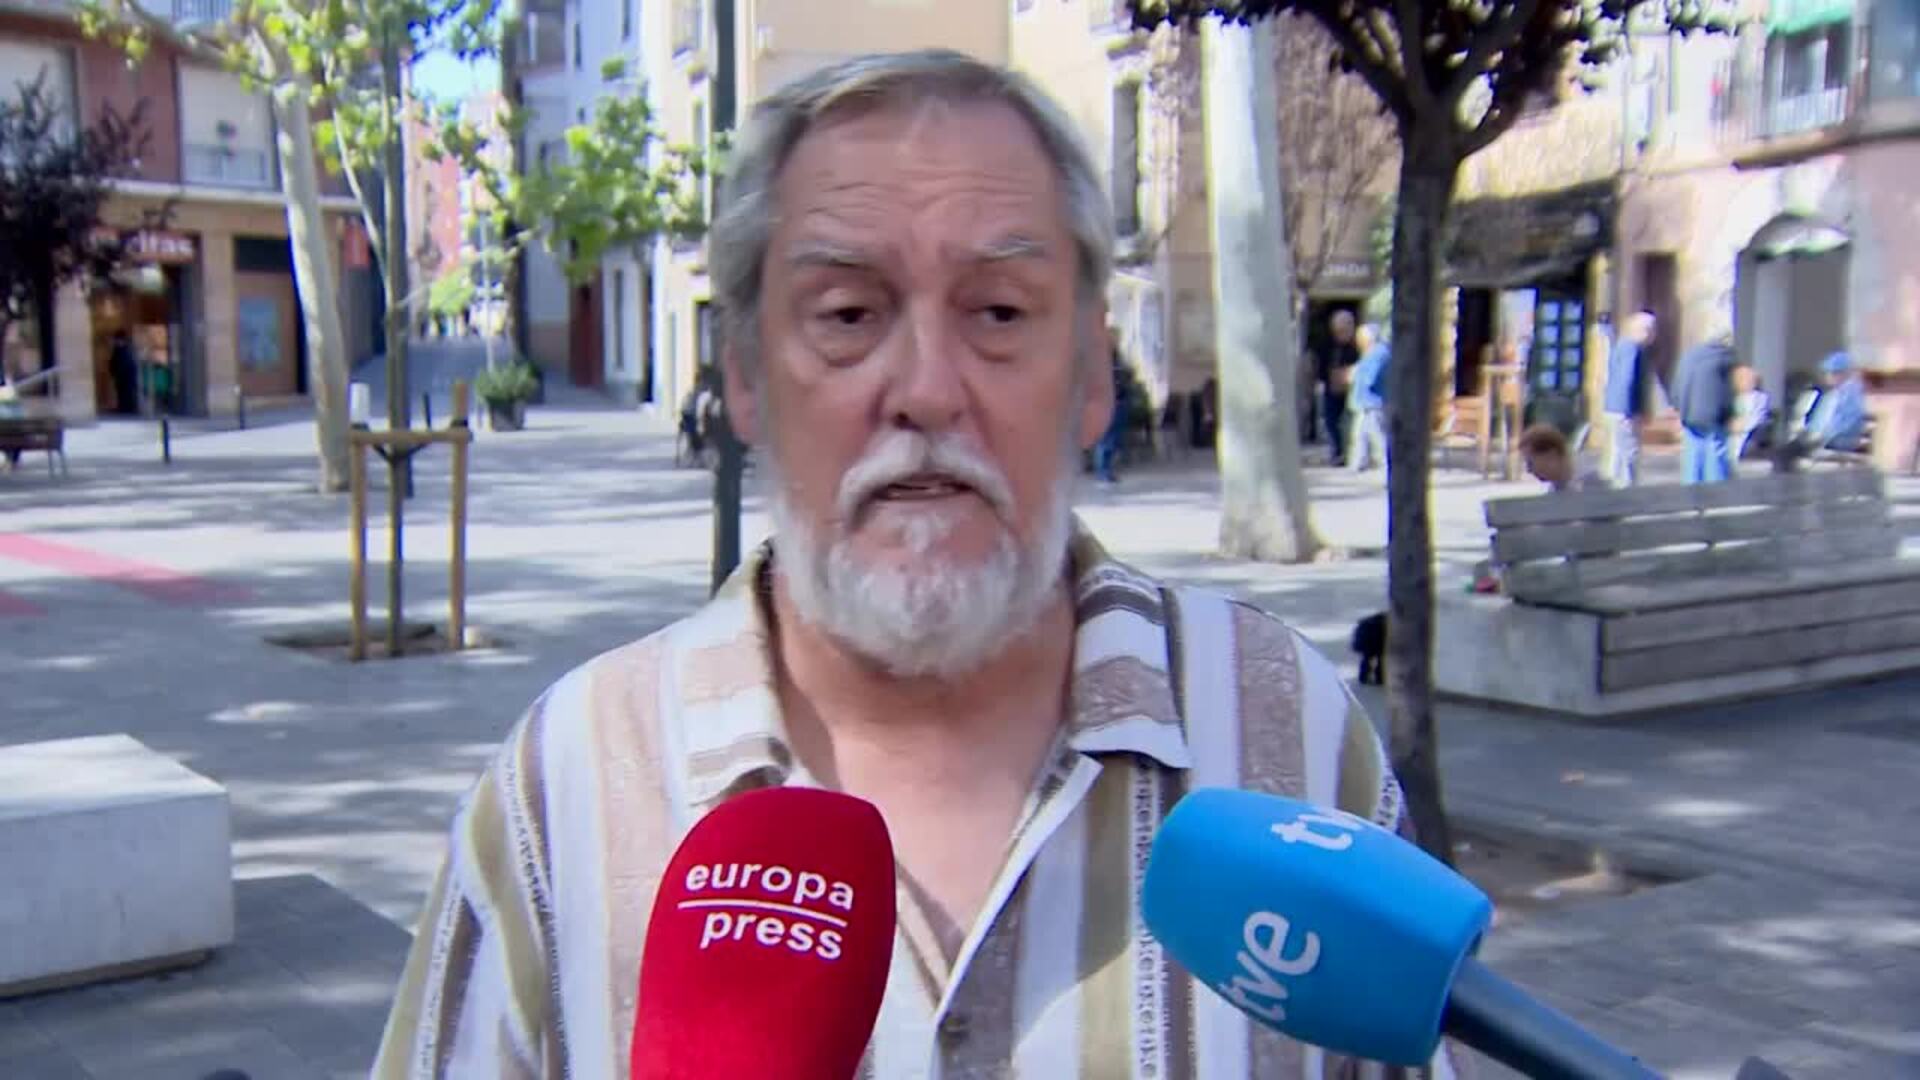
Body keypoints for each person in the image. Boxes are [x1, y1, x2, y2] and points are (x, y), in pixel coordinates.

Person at [374, 50, 1450, 1079]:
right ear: (744, 379)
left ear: (1091, 377)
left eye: (999, 313)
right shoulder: (568, 784)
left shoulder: (1282, 733)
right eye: (848, 315)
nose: (928, 390)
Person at [1670, 330, 1736, 484]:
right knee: (1715, 454)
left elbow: (1678, 383)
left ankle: (1690, 490)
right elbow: (1726, 390)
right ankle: (1715, 492)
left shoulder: (1689, 356)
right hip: (1713, 415)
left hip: (1689, 413)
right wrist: (1729, 413)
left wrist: (1678, 406)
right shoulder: (1725, 357)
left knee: (1693, 455)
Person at [1601, 310, 1658, 486]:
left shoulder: (1620, 345)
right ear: (1644, 331)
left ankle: (1616, 484)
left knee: (1617, 449)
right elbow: (1628, 379)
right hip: (1625, 409)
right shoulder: (1633, 349)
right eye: (1652, 330)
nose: (1654, 335)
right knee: (1628, 449)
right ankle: (1627, 486)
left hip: (1613, 406)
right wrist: (1632, 410)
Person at [1797, 351, 1869, 453]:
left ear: (1843, 373)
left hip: (1842, 445)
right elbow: (1818, 423)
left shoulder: (1852, 394)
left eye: (1831, 373)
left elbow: (1845, 424)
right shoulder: (1833, 395)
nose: (1827, 377)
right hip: (1829, 444)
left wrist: (1821, 437)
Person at [1319, 309, 1360, 466]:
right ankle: (1336, 453)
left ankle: (1350, 453)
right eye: (1337, 329)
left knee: (1351, 423)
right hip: (1331, 389)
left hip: (1351, 389)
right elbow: (1322, 365)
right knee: (1330, 422)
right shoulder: (1328, 345)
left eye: (1343, 329)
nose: (1340, 333)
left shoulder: (1356, 346)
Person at [1346, 323, 1389, 472]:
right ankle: (1359, 462)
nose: (1359, 342)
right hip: (1368, 401)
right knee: (1361, 434)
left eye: (1361, 338)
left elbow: (1370, 377)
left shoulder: (1377, 354)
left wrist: (1357, 376)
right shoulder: (1376, 352)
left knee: (1376, 434)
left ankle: (1385, 463)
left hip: (1372, 401)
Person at [1517, 423, 1605, 493]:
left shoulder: (1594, 481)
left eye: (1530, 463)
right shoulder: (1555, 491)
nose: (1528, 470)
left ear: (1551, 455)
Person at [1091, 344, 1132, 484]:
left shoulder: (1118, 366)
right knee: (1105, 440)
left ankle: (1107, 470)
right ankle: (1103, 472)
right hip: (1109, 404)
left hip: (1119, 403)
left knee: (1112, 439)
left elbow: (1127, 378)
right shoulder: (1100, 369)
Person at [1728, 362, 1773, 465]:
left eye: (1749, 378)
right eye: (1741, 378)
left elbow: (1758, 418)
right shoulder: (1730, 397)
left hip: (1749, 435)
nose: (1745, 381)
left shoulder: (1760, 398)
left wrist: (1743, 425)